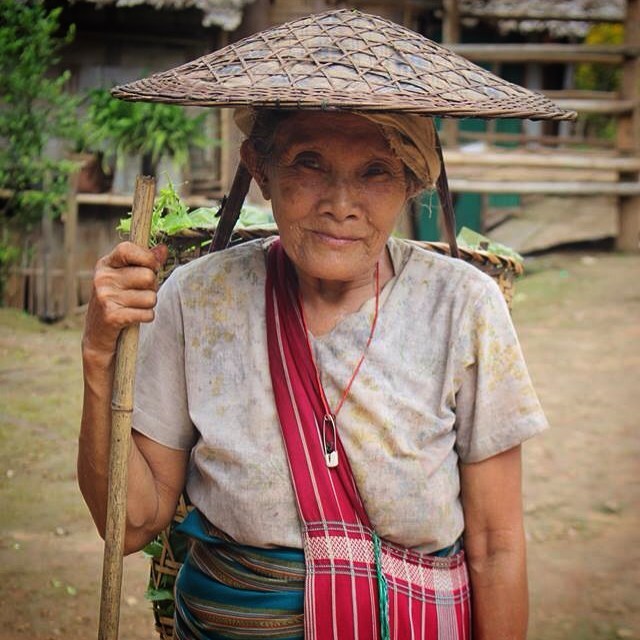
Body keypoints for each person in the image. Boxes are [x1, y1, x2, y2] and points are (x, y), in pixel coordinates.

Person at [78, 9, 570, 640]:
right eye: (309, 163)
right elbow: (130, 525)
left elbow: (498, 545)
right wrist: (98, 360)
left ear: (412, 181)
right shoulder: (196, 299)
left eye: (374, 171)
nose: (341, 205)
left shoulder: (463, 306)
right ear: (261, 168)